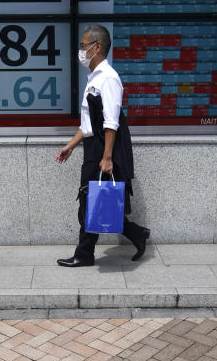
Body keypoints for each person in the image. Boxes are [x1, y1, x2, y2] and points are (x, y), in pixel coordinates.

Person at [55, 24, 149, 267]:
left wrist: (107, 157)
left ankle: (84, 254)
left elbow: (111, 122)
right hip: (93, 146)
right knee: (98, 200)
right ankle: (137, 234)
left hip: (105, 149)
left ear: (97, 47)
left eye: (83, 45)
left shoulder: (109, 79)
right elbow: (87, 125)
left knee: (91, 201)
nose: (80, 50)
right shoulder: (94, 78)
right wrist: (70, 146)